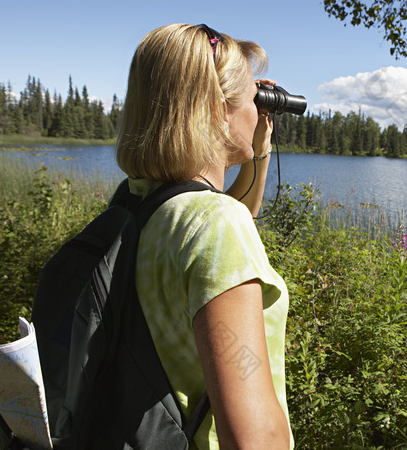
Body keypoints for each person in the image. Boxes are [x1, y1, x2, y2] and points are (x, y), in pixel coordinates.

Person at [115, 23, 292, 449]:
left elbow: (230, 223)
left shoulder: (137, 204)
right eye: (252, 98)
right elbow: (254, 440)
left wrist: (260, 146)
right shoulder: (214, 225)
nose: (256, 109)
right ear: (217, 108)